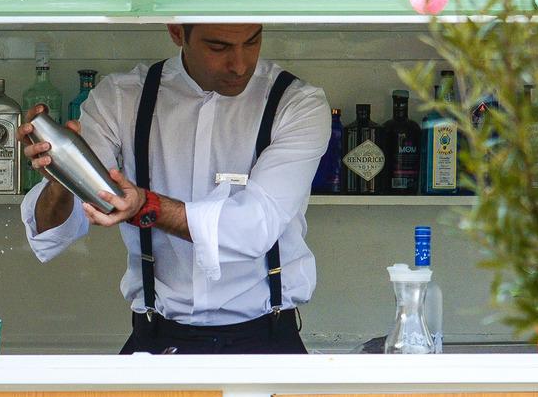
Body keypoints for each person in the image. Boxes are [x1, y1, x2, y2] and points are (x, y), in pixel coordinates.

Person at [20, 23, 330, 354]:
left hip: (267, 340)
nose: (240, 65)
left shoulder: (296, 103)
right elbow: (56, 230)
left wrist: (146, 206)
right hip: (157, 338)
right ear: (177, 33)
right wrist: (61, 178)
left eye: (252, 42)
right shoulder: (121, 98)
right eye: (218, 47)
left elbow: (255, 226)